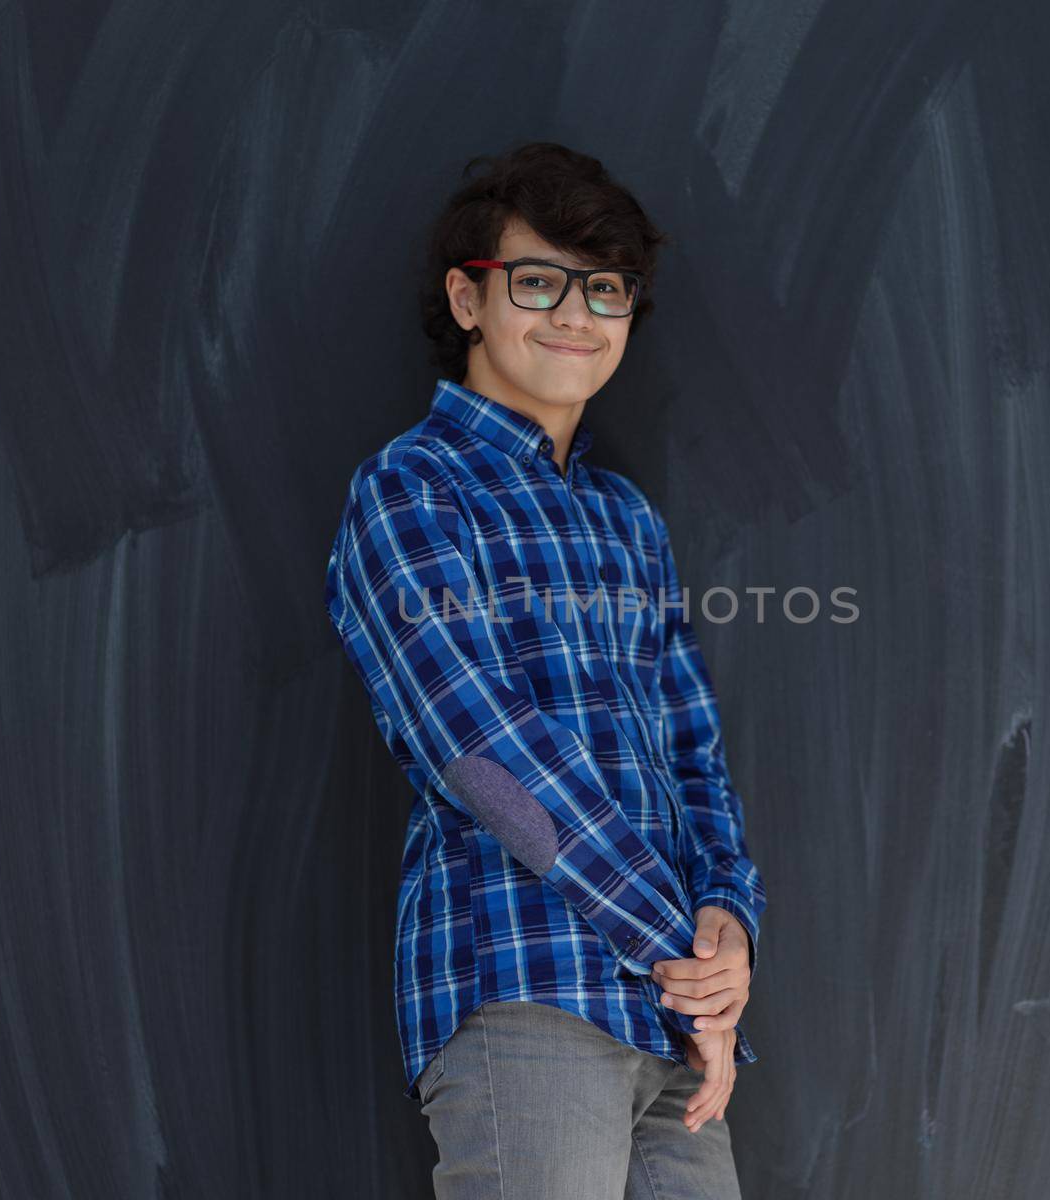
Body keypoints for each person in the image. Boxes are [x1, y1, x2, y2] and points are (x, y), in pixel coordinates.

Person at [325, 141, 766, 1198]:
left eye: (605, 289)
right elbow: (481, 755)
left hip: (665, 1019)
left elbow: (691, 750)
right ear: (467, 301)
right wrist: (685, 961)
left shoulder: (625, 520)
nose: (577, 314)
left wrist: (729, 928)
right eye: (539, 281)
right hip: (526, 989)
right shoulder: (412, 490)